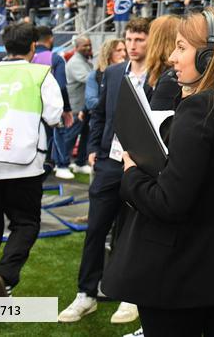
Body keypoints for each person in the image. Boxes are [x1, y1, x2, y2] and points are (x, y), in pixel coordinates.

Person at [101, 9, 214, 336]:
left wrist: (131, 175)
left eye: (181, 47)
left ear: (210, 56)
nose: (171, 57)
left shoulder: (201, 109)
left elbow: (168, 203)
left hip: (184, 279)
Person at [0, 22, 66, 297]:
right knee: (26, 223)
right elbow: (54, 115)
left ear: (4, 47)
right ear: (33, 47)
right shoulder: (40, 74)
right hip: (23, 162)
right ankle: (4, 272)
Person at [58, 17, 152, 325]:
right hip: (110, 163)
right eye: (130, 39)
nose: (133, 45)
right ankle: (86, 293)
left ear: (151, 41)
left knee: (133, 231)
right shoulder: (112, 73)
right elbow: (98, 113)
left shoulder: (161, 77)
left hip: (144, 166)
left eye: (140, 39)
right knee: (96, 228)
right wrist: (93, 149)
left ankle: (130, 294)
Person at [56, 35, 94, 179]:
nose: (88, 48)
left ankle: (80, 163)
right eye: (84, 45)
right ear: (76, 47)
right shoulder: (76, 61)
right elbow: (87, 78)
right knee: (69, 136)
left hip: (84, 106)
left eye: (89, 45)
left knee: (86, 135)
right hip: (74, 106)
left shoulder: (84, 60)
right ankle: (61, 165)